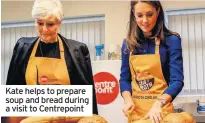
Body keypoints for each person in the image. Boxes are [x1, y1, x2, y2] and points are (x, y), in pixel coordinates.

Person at [6, 0, 98, 115]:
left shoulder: (77, 51)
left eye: (50, 24)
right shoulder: (22, 48)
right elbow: (13, 96)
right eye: (39, 23)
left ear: (59, 23)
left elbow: (88, 99)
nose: (44, 29)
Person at [120, 1, 184, 123]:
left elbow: (177, 81)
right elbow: (124, 79)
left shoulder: (172, 40)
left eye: (149, 14)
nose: (145, 20)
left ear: (158, 11)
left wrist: (158, 103)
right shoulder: (128, 44)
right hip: (136, 115)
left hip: (161, 113)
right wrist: (128, 100)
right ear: (133, 14)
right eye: (139, 15)